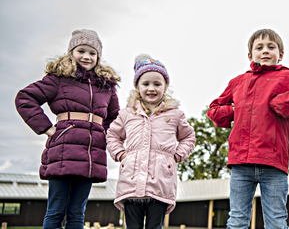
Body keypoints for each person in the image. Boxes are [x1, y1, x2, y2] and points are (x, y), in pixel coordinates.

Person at [207, 29, 289, 229]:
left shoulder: (287, 78)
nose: (265, 51)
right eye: (259, 47)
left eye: (271, 47)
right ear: (250, 55)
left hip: (273, 163)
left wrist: (286, 103)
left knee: (276, 222)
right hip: (240, 164)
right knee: (236, 220)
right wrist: (234, 111)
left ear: (280, 54)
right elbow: (214, 110)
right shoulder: (238, 82)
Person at [15, 29, 120, 228]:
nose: (87, 56)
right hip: (63, 150)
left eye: (92, 53)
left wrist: (104, 136)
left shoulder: (107, 86)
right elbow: (25, 98)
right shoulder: (58, 79)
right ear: (71, 52)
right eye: (81, 51)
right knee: (56, 211)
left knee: (77, 214)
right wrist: (47, 128)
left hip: (91, 154)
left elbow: (114, 117)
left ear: (98, 56)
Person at [106, 54, 196, 229]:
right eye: (145, 84)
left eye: (157, 84)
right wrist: (121, 154)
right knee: (133, 226)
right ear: (137, 86)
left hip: (161, 181)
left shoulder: (174, 114)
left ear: (165, 86)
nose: (151, 88)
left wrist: (178, 155)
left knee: (155, 226)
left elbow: (188, 136)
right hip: (131, 182)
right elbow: (113, 135)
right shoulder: (127, 113)